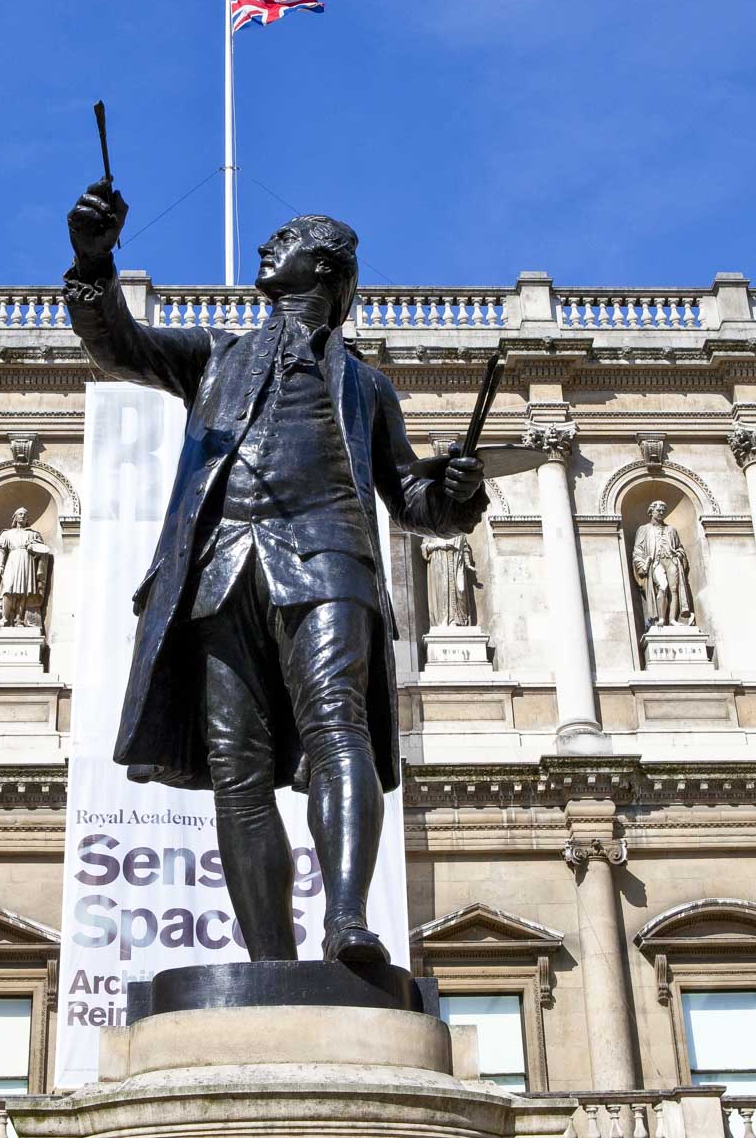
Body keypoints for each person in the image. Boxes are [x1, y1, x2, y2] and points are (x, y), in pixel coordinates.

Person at [64, 180, 488, 964]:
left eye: (286, 240)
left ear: (324, 268)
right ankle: (269, 962)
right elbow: (120, 343)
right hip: (221, 566)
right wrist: (94, 260)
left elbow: (416, 501)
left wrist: (458, 492)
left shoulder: (365, 386)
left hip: (330, 559)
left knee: (338, 724)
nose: (267, 247)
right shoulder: (217, 355)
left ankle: (349, 922)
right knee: (237, 766)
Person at [632, 500, 694, 627]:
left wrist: (679, 554)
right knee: (663, 586)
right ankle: (661, 619)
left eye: (663, 511)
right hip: (656, 562)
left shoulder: (671, 530)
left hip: (671, 560)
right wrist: (642, 565)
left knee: (674, 589)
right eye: (658, 510)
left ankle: (672, 620)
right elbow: (637, 551)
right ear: (651, 511)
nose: (661, 512)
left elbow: (679, 547)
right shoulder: (644, 529)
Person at [0, 507, 51, 627]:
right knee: (7, 589)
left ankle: (19, 619)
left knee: (23, 591)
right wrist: (0, 564)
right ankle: (5, 618)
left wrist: (33, 549)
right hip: (12, 559)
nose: (23, 516)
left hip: (26, 561)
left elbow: (42, 553)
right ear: (15, 517)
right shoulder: (7, 534)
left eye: (25, 514)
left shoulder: (33, 534)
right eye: (20, 514)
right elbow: (1, 550)